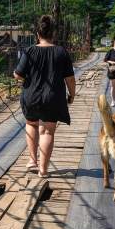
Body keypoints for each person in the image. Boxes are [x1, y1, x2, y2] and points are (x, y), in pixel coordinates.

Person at [14, 14, 76, 177]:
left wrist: (25, 77)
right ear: (53, 34)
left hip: (31, 96)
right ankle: (43, 170)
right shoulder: (61, 52)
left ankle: (33, 160)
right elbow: (69, 78)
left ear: (37, 34)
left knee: (32, 124)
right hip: (53, 97)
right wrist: (72, 95)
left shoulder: (29, 51)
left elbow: (18, 75)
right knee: (48, 132)